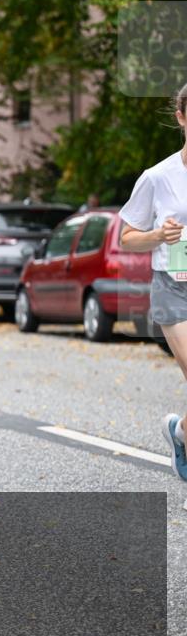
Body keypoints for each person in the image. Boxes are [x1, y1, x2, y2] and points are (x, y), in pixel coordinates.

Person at [118, 82, 187, 482]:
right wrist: (160, 235)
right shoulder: (157, 177)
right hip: (175, 287)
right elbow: (127, 236)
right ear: (180, 117)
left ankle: (179, 433)